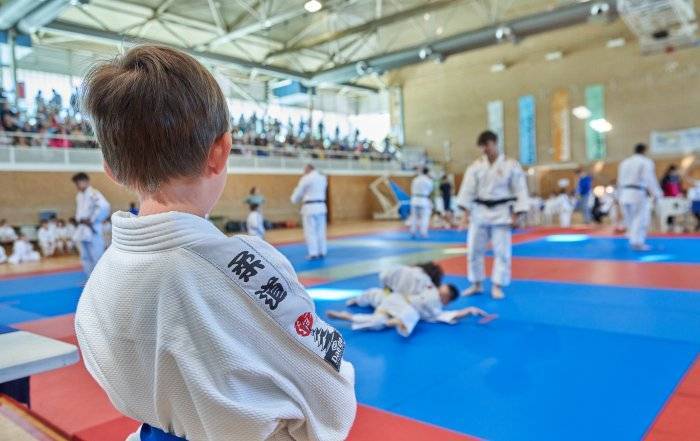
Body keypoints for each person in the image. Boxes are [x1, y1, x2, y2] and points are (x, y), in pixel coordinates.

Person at [74, 45, 355, 441]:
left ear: (111, 169)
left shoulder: (98, 284)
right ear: (220, 152)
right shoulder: (244, 265)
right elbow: (330, 392)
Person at [457, 130, 529, 300]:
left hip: (501, 212)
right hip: (479, 212)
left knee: (502, 252)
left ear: (495, 143)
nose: (484, 150)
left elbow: (520, 189)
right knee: (474, 250)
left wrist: (516, 215)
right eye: (482, 147)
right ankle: (476, 283)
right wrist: (465, 215)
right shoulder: (475, 167)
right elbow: (467, 191)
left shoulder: (511, 165)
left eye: (487, 145)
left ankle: (497, 285)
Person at [617, 143, 662, 251]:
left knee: (631, 219)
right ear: (644, 150)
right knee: (640, 218)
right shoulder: (645, 162)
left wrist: (618, 196)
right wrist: (657, 193)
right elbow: (649, 178)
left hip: (624, 193)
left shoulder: (624, 162)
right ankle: (637, 242)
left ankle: (633, 238)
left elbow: (619, 179)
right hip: (637, 192)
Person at [72, 172, 111, 275]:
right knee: (85, 256)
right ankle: (89, 279)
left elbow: (104, 207)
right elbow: (79, 212)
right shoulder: (79, 196)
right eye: (76, 183)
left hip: (93, 228)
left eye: (78, 182)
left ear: (86, 181)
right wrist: (79, 219)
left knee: (96, 255)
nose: (77, 185)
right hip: (82, 228)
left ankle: (101, 279)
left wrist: (92, 219)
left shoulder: (93, 193)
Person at [291, 164, 328, 260]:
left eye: (304, 169)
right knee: (321, 230)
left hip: (310, 207)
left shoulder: (306, 178)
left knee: (310, 231)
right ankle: (322, 251)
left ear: (308, 169)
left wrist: (294, 199)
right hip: (321, 206)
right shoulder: (323, 178)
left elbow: (298, 193)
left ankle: (313, 253)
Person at [409, 167, 433, 238]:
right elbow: (430, 190)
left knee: (414, 217)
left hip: (414, 198)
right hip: (424, 199)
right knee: (424, 217)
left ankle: (412, 232)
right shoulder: (428, 180)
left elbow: (411, 189)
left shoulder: (415, 179)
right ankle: (423, 233)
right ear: (428, 172)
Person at [660, 164, 682, 231]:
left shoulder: (677, 178)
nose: (675, 172)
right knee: (668, 211)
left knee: (675, 211)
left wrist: (680, 193)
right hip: (667, 197)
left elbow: (679, 187)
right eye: (674, 171)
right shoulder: (665, 178)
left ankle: (673, 224)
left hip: (675, 197)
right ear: (671, 171)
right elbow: (662, 187)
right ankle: (668, 224)